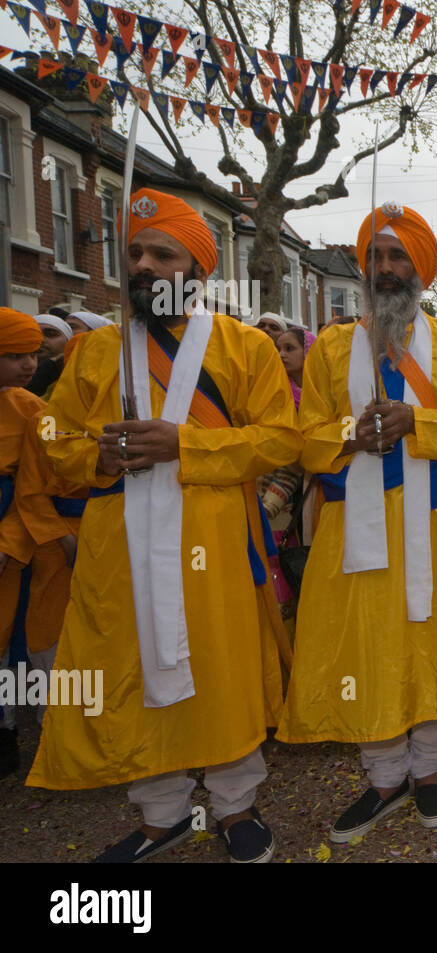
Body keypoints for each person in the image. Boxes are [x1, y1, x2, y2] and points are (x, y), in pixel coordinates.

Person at [25, 188, 301, 863]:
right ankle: (161, 816)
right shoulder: (94, 354)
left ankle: (237, 806)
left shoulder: (243, 348)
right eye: (135, 253)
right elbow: (52, 438)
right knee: (133, 669)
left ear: (197, 269)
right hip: (118, 548)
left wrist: (187, 446)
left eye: (161, 253)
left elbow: (281, 441)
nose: (143, 264)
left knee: (220, 670)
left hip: (212, 545)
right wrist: (96, 453)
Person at [279, 203, 437, 843]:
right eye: (374, 255)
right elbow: (303, 438)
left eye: (398, 255)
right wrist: (353, 435)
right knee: (367, 647)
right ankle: (383, 780)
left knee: (433, 646)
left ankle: (427, 772)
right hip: (355, 529)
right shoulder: (329, 352)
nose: (384, 267)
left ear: (421, 268)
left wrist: (419, 424)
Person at [0, 309, 46, 778]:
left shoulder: (32, 409)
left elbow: (38, 484)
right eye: (14, 356)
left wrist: (10, 540)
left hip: (17, 536)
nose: (29, 364)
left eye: (32, 353)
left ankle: (7, 733)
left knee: (14, 637)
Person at [258, 326, 317, 610]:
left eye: (290, 348)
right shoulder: (274, 393)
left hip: (317, 488)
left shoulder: (321, 395)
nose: (281, 355)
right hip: (278, 492)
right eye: (278, 349)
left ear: (309, 351)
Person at [26, 314, 74, 397]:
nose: (41, 339)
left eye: (51, 334)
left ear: (68, 341)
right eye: (33, 334)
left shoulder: (75, 377)